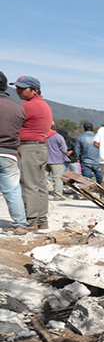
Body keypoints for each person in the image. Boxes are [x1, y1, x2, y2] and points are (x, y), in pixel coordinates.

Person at [12, 76, 52, 231]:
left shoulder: (27, 106)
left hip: (28, 147)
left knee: (28, 185)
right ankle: (41, 220)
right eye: (18, 88)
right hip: (40, 147)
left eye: (23, 88)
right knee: (40, 185)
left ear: (35, 90)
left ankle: (30, 221)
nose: (19, 91)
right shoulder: (43, 105)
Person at [0, 71, 28, 234]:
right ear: (5, 86)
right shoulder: (18, 108)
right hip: (9, 153)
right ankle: (20, 224)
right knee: (12, 190)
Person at [45, 129, 70, 200]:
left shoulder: (43, 135)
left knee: (43, 179)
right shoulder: (58, 136)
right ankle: (58, 195)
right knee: (57, 178)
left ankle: (41, 195)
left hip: (45, 159)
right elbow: (64, 149)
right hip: (56, 160)